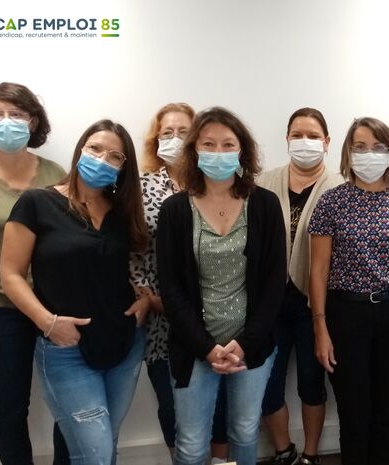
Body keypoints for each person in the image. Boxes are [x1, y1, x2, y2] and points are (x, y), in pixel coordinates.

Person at [0, 119, 149, 464]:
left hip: (124, 342)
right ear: (81, 149)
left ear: (123, 167)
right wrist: (48, 323)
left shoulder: (121, 212)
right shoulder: (37, 202)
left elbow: (111, 268)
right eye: (95, 149)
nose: (102, 159)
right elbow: (10, 275)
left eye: (115, 156)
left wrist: (144, 299)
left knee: (107, 444)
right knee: (94, 453)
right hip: (65, 348)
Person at [156, 107, 286, 465]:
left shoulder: (265, 204)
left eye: (228, 144)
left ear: (242, 150)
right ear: (194, 150)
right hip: (194, 346)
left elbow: (274, 282)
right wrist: (207, 348)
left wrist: (246, 344)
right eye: (208, 144)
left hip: (252, 345)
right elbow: (171, 288)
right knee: (191, 443)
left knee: (245, 431)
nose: (218, 152)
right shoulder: (175, 210)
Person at [309, 117, 389, 465]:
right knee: (353, 413)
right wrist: (320, 327)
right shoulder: (331, 202)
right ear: (348, 153)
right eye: (360, 147)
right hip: (346, 315)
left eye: (378, 147)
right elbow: (318, 270)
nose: (369, 154)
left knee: (386, 412)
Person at [131, 102, 230, 462]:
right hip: (161, 317)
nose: (174, 139)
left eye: (183, 132)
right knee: (172, 404)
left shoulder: (217, 183)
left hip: (215, 314)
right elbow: (132, 249)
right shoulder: (140, 188)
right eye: (166, 133)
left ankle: (220, 460)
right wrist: (152, 297)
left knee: (219, 405)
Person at [0, 82, 66, 465]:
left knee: (69, 401)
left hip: (52, 305)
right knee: (10, 407)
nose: (6, 121)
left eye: (17, 114)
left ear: (33, 121)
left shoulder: (55, 174)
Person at [258, 107, 343, 465]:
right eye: (297, 135)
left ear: (326, 142)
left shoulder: (341, 186)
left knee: (311, 380)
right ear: (287, 139)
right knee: (266, 383)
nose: (304, 142)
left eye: (312, 136)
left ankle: (310, 454)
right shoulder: (263, 182)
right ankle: (283, 451)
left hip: (316, 303)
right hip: (269, 301)